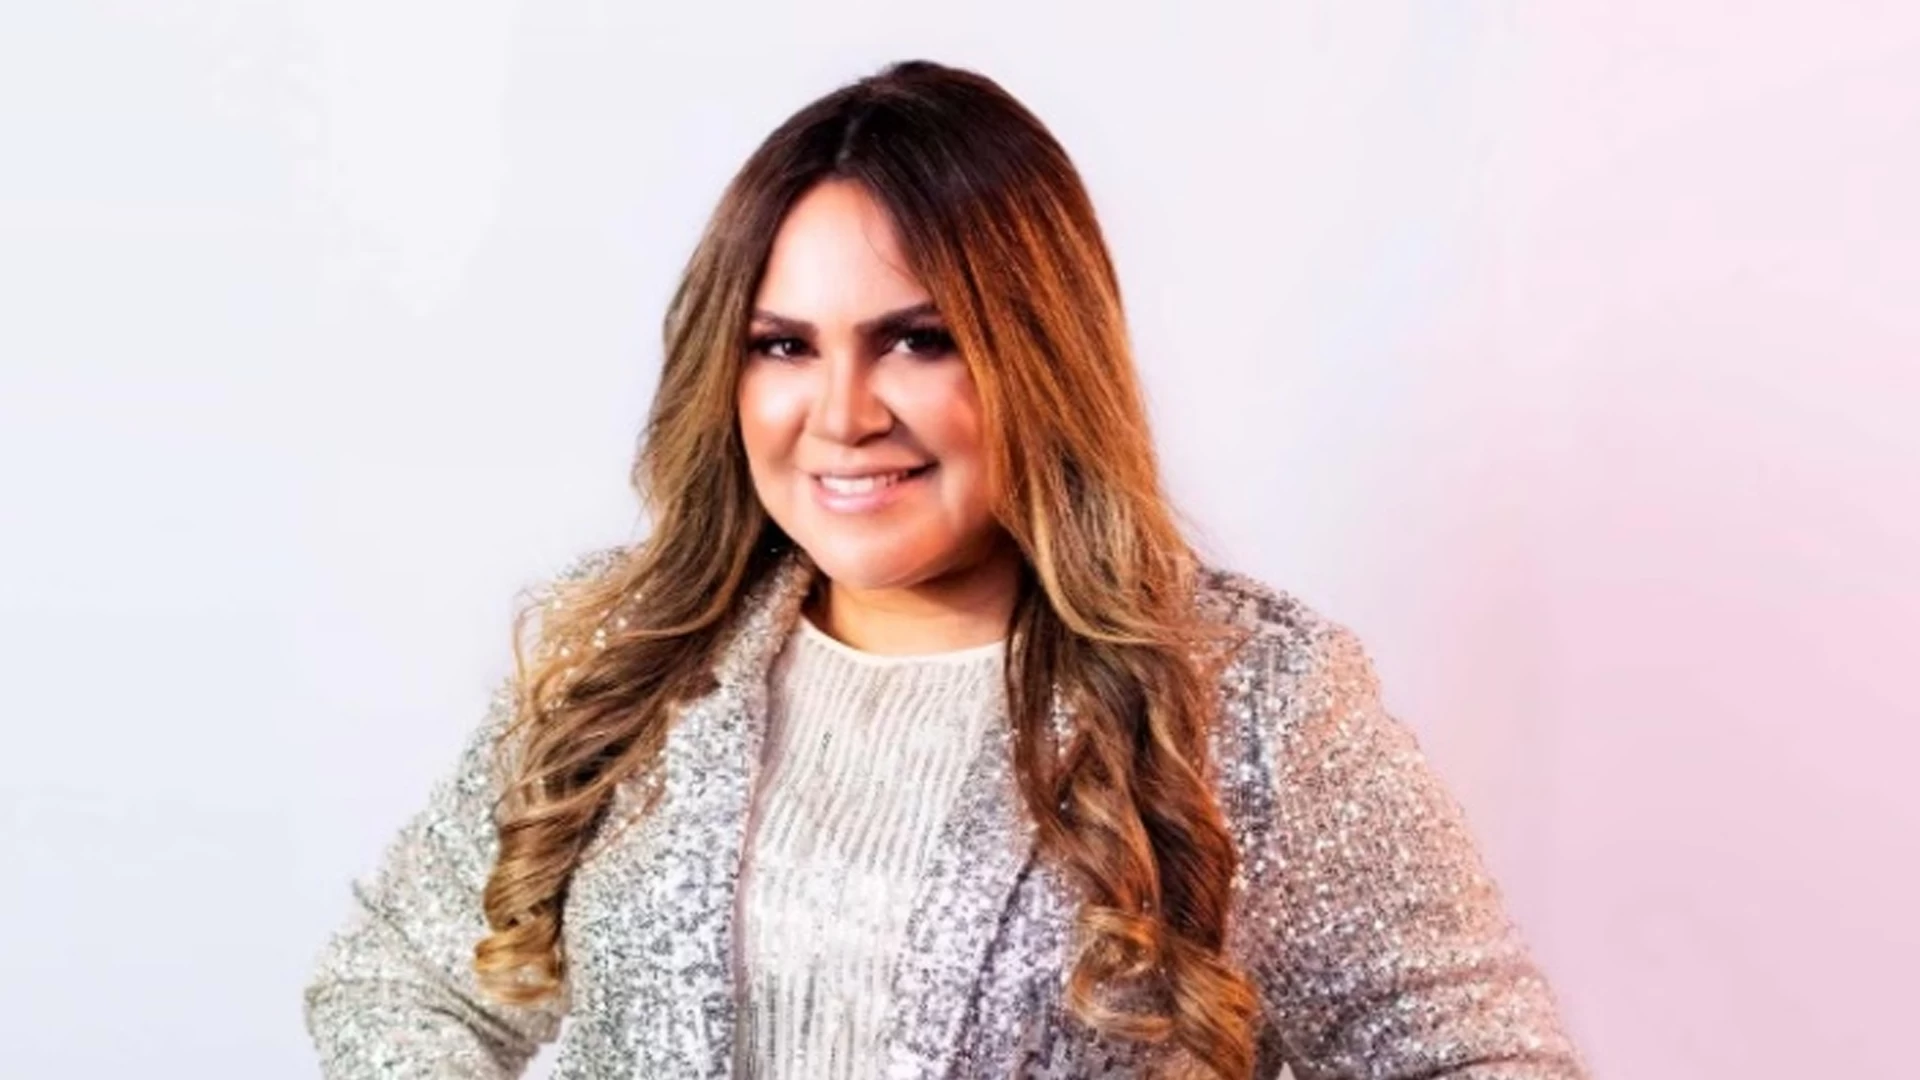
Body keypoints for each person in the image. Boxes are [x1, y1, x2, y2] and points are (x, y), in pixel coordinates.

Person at [303, 59, 1587, 1080]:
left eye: (917, 340)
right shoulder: (628, 659)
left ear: (1039, 355)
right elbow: (395, 985)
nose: (842, 414)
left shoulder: (1247, 702)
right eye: (783, 345)